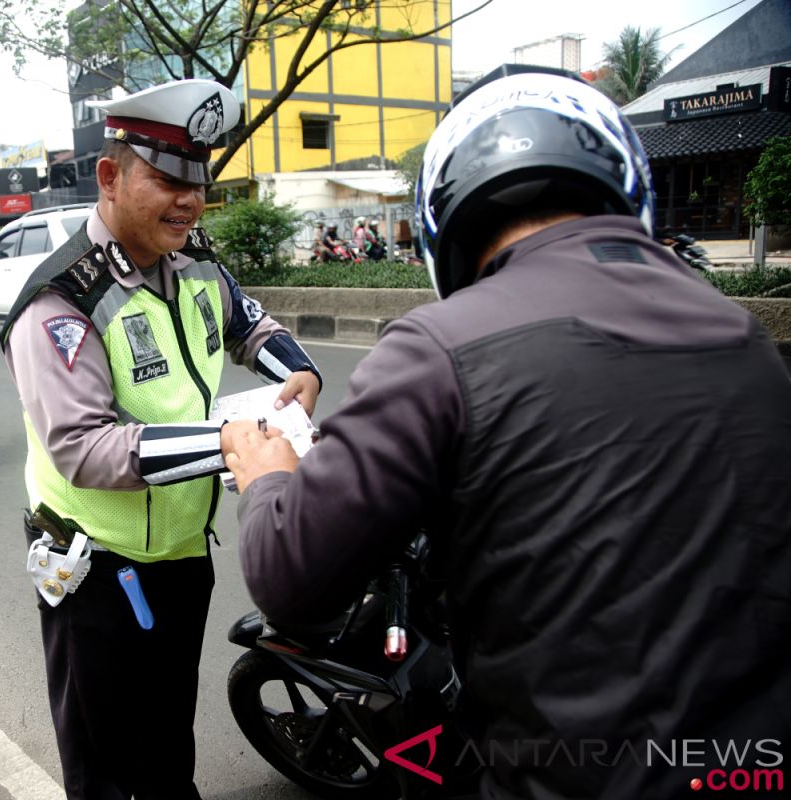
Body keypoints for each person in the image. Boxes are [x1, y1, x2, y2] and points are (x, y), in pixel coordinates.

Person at [224, 66, 791, 799]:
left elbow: (291, 581)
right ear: (623, 185)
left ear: (444, 218)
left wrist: (266, 475)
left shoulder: (438, 344)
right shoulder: (741, 337)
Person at [1, 78, 323, 800]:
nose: (189, 201)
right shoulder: (63, 299)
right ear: (110, 177)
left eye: (198, 183)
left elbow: (248, 326)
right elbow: (83, 449)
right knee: (108, 762)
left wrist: (296, 369)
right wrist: (232, 443)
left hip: (181, 554)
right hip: (99, 573)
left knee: (169, 733)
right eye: (168, 180)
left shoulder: (194, 258)